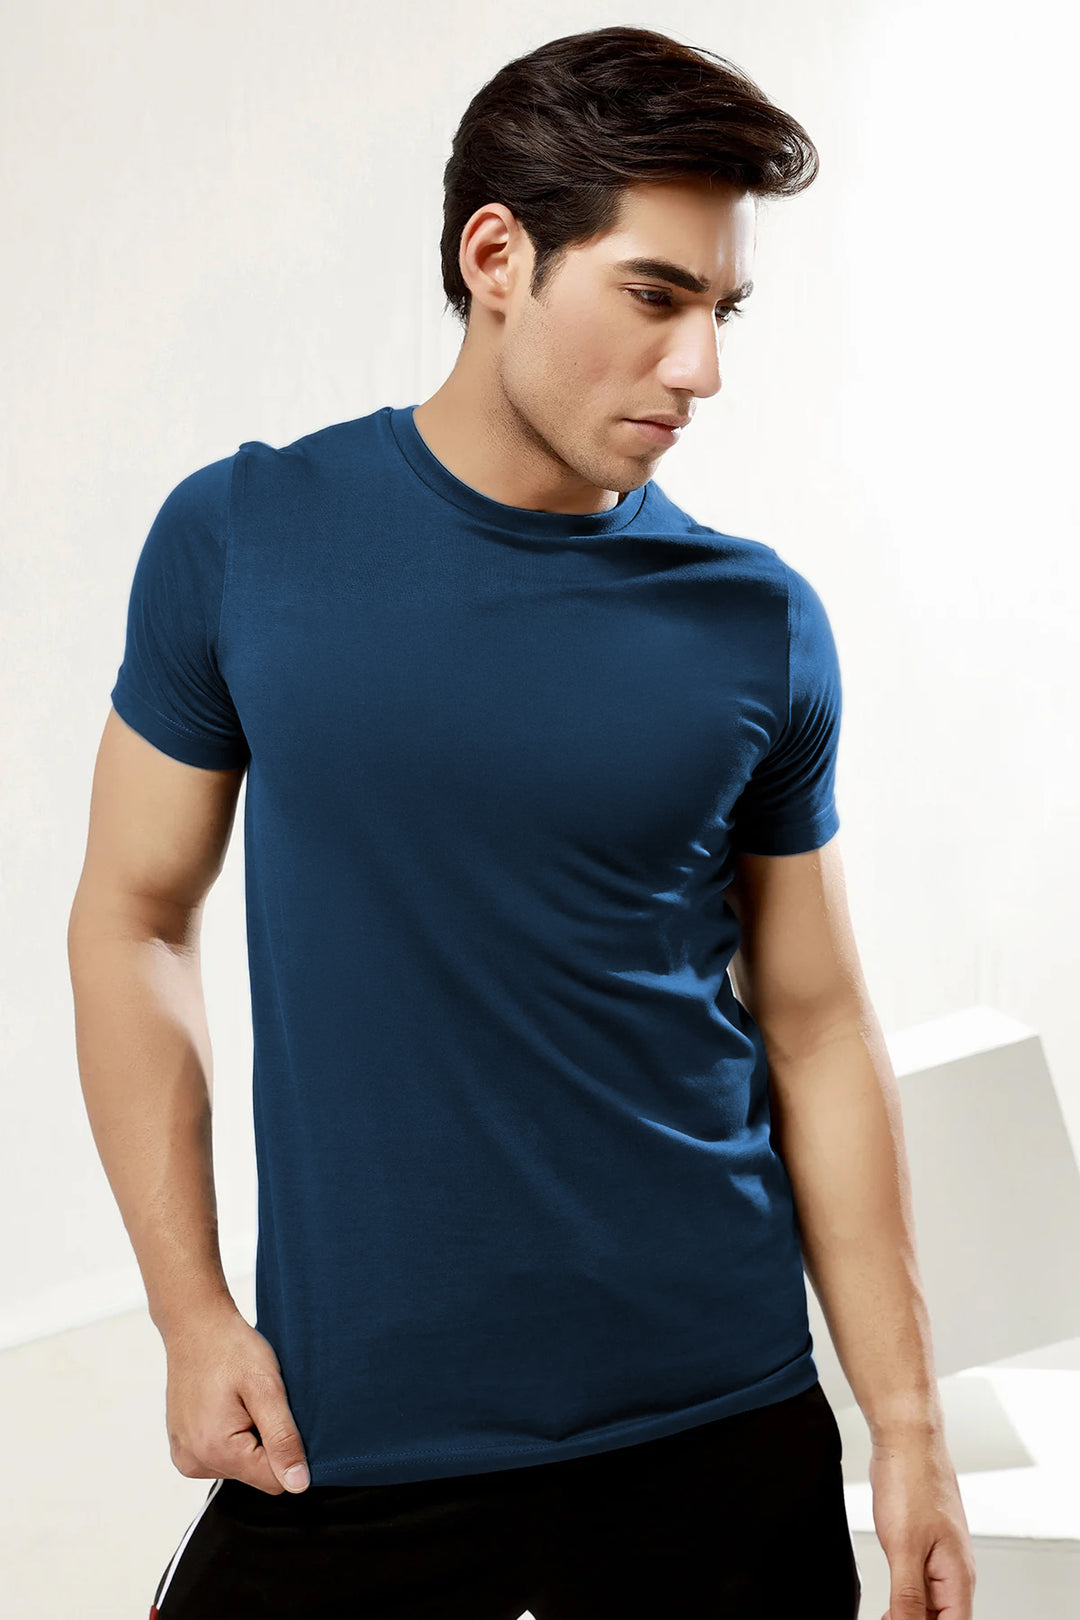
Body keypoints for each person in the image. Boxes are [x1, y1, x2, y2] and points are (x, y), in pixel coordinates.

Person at [69, 23, 975, 1620]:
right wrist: (189, 1311)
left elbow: (818, 1023)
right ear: (496, 257)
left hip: (721, 1431)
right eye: (654, 296)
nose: (699, 369)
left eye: (719, 310)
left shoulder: (758, 622)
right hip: (355, 1442)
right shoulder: (245, 539)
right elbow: (132, 919)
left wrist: (908, 1427)